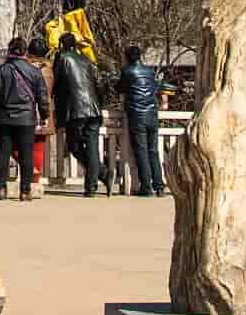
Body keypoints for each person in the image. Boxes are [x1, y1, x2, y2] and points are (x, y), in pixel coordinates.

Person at [0, 36, 48, 202]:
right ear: (25, 52)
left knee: (3, 154)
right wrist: (44, 115)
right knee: (26, 154)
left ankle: (1, 189)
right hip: (26, 118)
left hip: (3, 117)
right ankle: (25, 191)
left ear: (9, 51)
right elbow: (42, 96)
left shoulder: (0, 70)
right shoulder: (34, 71)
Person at [53, 33, 108, 196]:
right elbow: (98, 85)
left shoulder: (62, 58)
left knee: (74, 146)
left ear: (62, 45)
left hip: (76, 109)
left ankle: (103, 173)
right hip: (94, 109)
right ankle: (92, 186)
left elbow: (55, 82)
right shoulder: (87, 60)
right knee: (92, 148)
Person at [119, 44, 167, 197]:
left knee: (141, 151)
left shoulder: (127, 71)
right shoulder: (149, 71)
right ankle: (159, 186)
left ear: (127, 57)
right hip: (152, 113)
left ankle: (146, 187)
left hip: (137, 114)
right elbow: (157, 88)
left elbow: (119, 88)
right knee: (153, 151)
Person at [26, 36, 56, 196]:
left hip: (27, 112)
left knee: (19, 144)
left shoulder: (25, 68)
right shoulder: (49, 69)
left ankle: (29, 171)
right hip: (45, 112)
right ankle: (35, 181)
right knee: (38, 147)